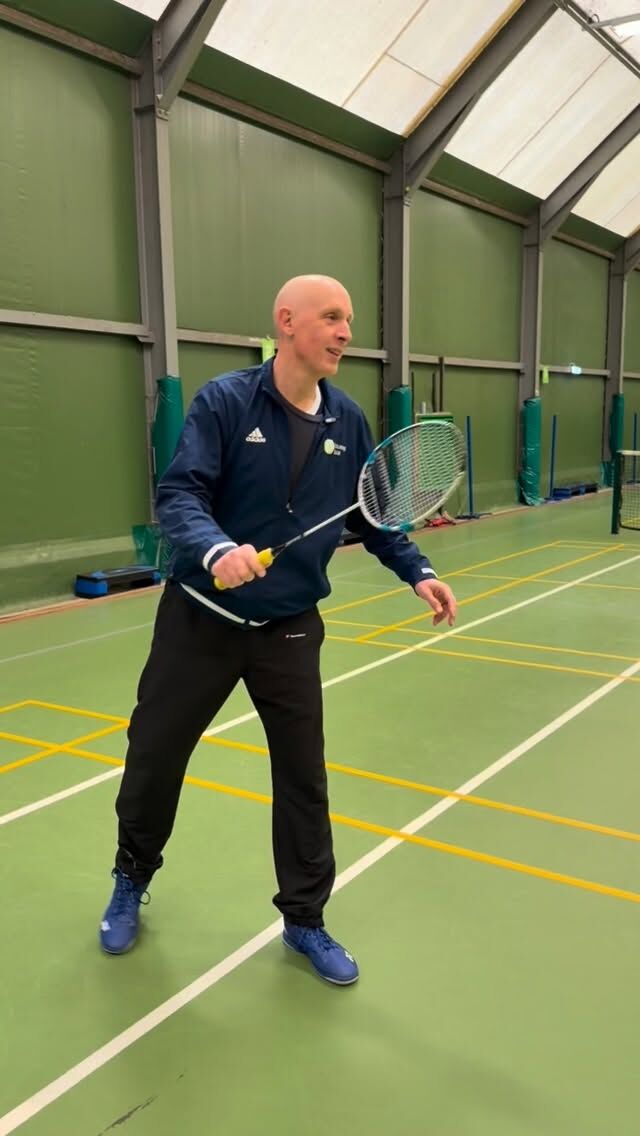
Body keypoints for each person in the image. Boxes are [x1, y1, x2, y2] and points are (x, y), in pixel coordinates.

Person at [99, 275, 457, 985]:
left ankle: (305, 920)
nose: (346, 331)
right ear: (287, 322)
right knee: (154, 756)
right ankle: (131, 878)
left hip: (290, 627)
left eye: (348, 319)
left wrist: (417, 570)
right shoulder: (226, 402)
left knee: (303, 778)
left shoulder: (348, 422)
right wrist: (214, 549)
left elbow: (372, 515)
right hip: (200, 621)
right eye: (332, 317)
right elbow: (180, 492)